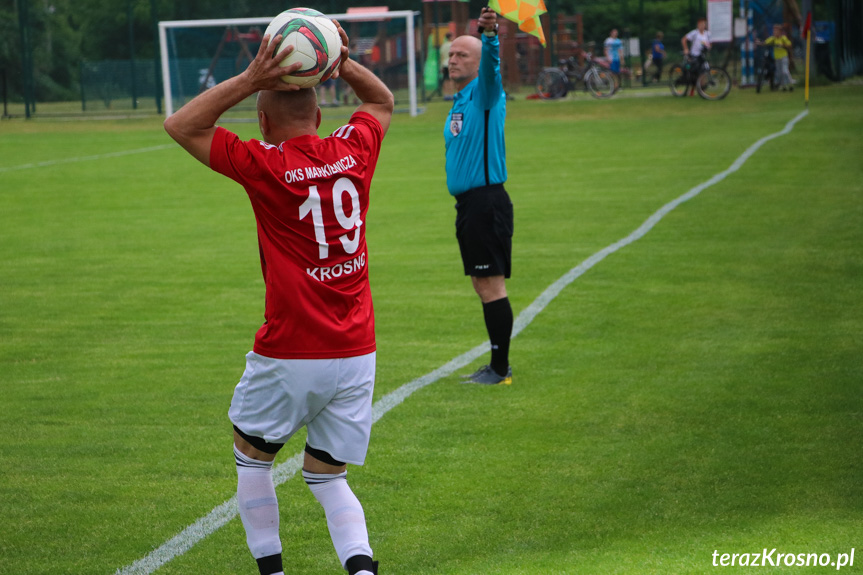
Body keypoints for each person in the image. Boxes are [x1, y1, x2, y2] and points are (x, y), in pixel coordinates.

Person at [163, 21, 393, 575]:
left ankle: (274, 572)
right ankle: (361, 570)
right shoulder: (355, 150)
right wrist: (339, 61)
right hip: (357, 349)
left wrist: (249, 77)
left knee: (253, 460)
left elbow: (181, 124)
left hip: (291, 348)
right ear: (319, 116)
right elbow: (381, 100)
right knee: (328, 474)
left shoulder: (265, 164)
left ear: (262, 123)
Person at [444, 7, 513, 386]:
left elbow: (492, 68)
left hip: (486, 203)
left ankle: (500, 370)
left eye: (462, 55)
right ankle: (498, 364)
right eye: (451, 54)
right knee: (482, 284)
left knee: (491, 285)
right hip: (471, 206)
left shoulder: (486, 92)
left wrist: (489, 35)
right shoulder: (461, 100)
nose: (454, 60)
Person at [763, 24, 794, 91]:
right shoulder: (773, 39)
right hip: (777, 58)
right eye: (774, 31)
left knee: (785, 71)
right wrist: (759, 42)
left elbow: (789, 45)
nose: (774, 32)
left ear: (780, 31)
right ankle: (783, 86)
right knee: (779, 73)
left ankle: (790, 84)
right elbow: (766, 42)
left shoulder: (783, 38)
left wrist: (782, 45)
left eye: (776, 31)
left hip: (784, 57)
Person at [439, 31, 454, 98]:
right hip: (451, 63)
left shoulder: (443, 45)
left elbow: (441, 56)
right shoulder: (452, 45)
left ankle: (446, 95)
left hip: (444, 64)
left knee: (445, 80)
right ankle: (451, 94)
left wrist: (441, 66)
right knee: (451, 80)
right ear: (450, 37)